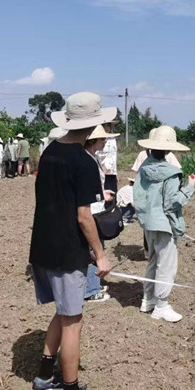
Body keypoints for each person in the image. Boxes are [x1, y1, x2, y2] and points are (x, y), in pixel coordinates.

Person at [28, 91, 115, 390]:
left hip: (43, 245)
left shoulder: (50, 151)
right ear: (94, 125)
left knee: (63, 312)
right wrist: (100, 254)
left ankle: (42, 378)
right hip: (67, 250)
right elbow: (83, 216)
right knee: (73, 321)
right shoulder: (83, 161)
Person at [133, 125, 195, 323]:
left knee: (153, 259)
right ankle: (161, 305)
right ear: (170, 150)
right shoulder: (171, 172)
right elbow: (172, 203)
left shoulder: (145, 168)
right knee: (166, 265)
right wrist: (189, 188)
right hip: (164, 224)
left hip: (148, 222)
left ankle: (148, 299)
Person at [83, 125, 120, 304]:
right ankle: (90, 290)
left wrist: (102, 194)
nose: (105, 141)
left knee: (95, 247)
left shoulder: (92, 158)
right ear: (93, 140)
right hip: (91, 213)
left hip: (96, 209)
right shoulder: (87, 160)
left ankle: (93, 284)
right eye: (102, 139)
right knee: (93, 249)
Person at [96, 123, 118, 193]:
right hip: (100, 170)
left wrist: (115, 173)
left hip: (111, 172)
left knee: (112, 193)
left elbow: (113, 156)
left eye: (110, 125)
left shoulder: (112, 139)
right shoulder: (96, 138)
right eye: (106, 125)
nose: (108, 127)